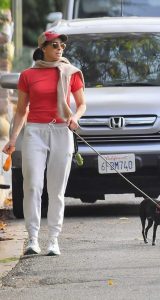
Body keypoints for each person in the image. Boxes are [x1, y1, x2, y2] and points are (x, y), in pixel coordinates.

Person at [3, 30, 86, 256]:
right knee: (32, 186)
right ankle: (32, 238)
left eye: (62, 46)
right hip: (34, 132)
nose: (60, 49)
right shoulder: (28, 75)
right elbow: (21, 111)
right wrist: (12, 140)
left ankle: (53, 240)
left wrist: (74, 118)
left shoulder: (70, 72)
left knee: (56, 189)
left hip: (61, 131)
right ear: (43, 48)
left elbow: (81, 105)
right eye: (55, 45)